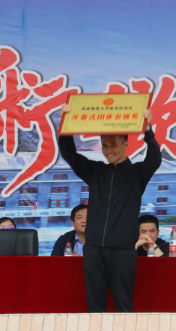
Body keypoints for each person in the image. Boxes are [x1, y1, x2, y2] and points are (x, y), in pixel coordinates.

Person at [58, 104, 161, 313]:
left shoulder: (137, 172)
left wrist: (148, 128)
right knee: (95, 306)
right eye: (104, 146)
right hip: (94, 248)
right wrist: (65, 124)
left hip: (123, 250)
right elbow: (70, 154)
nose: (109, 150)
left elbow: (154, 159)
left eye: (113, 145)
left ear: (126, 144)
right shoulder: (95, 171)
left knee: (123, 305)